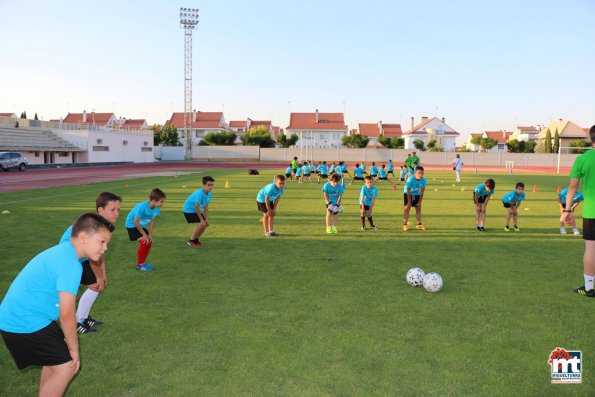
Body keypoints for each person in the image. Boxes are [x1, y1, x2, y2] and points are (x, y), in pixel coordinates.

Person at [0, 213, 114, 397]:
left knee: (55, 362)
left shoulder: (65, 252)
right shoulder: (70, 264)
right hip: (23, 322)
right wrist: (74, 350)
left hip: (27, 318)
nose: (105, 248)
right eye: (102, 241)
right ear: (83, 237)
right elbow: (67, 313)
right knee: (67, 366)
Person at [58, 192, 121, 334]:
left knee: (97, 285)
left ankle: (83, 317)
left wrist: (103, 274)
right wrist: (99, 277)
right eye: (112, 209)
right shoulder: (95, 226)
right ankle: (78, 321)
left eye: (118, 209)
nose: (117, 213)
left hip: (81, 257)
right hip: (71, 258)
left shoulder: (103, 225)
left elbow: (100, 253)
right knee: (95, 285)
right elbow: (93, 258)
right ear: (100, 210)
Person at [563, 125, 595, 297]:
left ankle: (589, 288)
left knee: (591, 248)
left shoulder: (583, 159)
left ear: (591, 139)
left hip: (592, 212)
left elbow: (572, 187)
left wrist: (567, 210)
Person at [125, 188, 166, 272]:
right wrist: (144, 234)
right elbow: (135, 222)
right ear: (154, 200)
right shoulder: (141, 207)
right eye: (161, 201)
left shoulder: (156, 209)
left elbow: (152, 221)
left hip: (141, 226)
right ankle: (140, 265)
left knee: (149, 241)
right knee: (144, 242)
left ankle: (143, 263)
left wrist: (150, 235)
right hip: (131, 225)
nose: (162, 204)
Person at [183, 176, 215, 247]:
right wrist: (201, 219)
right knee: (202, 223)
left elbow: (206, 206)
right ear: (203, 185)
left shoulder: (209, 193)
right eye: (208, 185)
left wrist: (206, 219)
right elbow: (196, 207)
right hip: (189, 210)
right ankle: (191, 241)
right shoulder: (200, 193)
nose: (210, 187)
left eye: (212, 185)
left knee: (204, 224)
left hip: (196, 210)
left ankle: (196, 240)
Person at [403, 166, 427, 231]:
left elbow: (422, 192)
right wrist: (409, 202)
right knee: (407, 208)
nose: (421, 175)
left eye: (422, 173)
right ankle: (405, 225)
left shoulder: (424, 180)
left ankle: (419, 225)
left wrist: (419, 203)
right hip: (407, 193)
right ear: (415, 173)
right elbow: (408, 191)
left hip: (417, 193)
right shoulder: (410, 179)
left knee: (418, 208)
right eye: (419, 173)